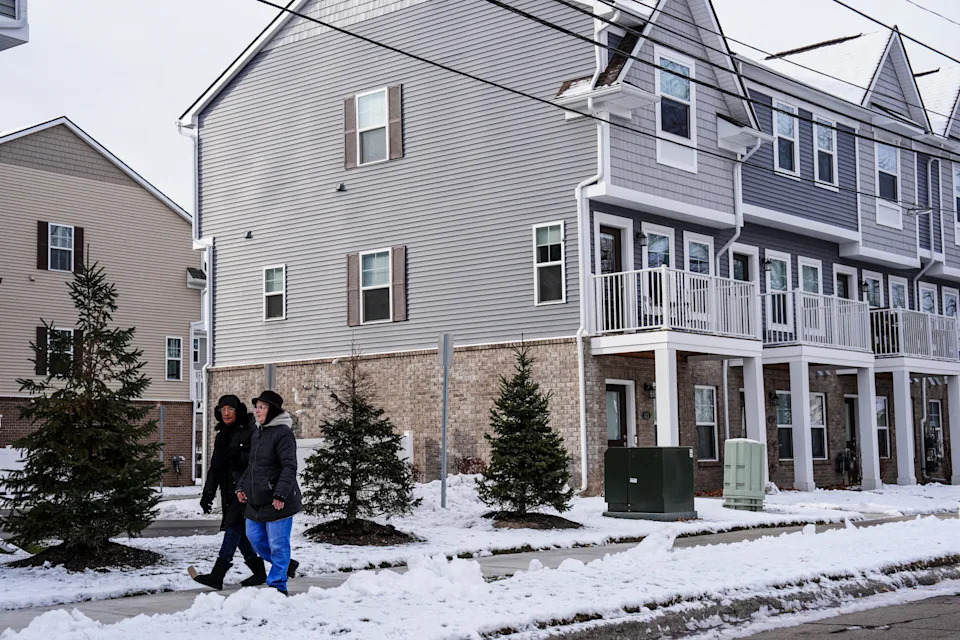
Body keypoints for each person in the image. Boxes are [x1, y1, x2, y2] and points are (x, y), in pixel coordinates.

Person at [191, 395, 265, 590]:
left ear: (237, 411)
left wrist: (239, 456)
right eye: (222, 410)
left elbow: (256, 460)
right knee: (239, 532)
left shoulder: (250, 430)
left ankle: (218, 574)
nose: (225, 413)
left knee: (232, 528)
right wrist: (208, 494)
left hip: (244, 489)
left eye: (230, 409)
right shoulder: (222, 435)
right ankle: (261, 571)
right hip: (227, 490)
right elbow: (215, 467)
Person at [236, 390, 302, 595]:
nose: (257, 411)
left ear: (272, 411)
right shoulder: (258, 432)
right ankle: (285, 564)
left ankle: (277, 586)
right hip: (256, 500)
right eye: (256, 407)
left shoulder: (283, 433)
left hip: (277, 500)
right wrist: (241, 487)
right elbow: (253, 466)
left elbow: (289, 466)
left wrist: (280, 494)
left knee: (277, 544)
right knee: (254, 537)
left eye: (262, 407)